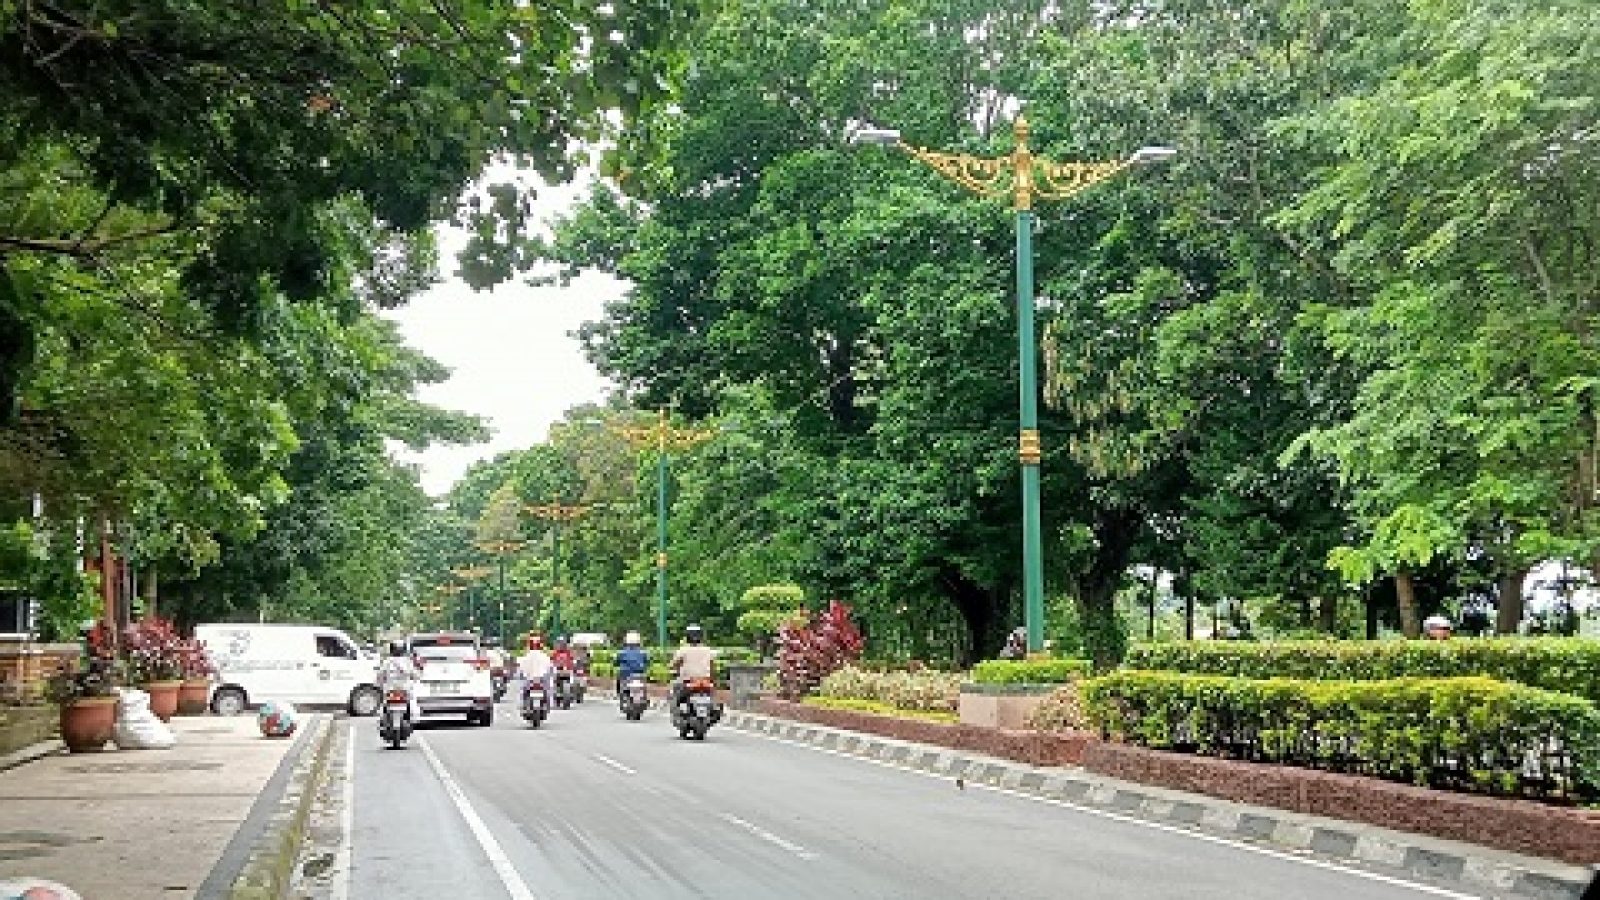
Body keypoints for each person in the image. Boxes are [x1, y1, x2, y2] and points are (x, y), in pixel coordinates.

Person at [669, 624, 716, 709]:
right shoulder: (708, 650)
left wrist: (674, 669)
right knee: (713, 696)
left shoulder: (683, 650)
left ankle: (676, 708)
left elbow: (674, 664)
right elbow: (712, 666)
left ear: (687, 637)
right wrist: (712, 679)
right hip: (705, 681)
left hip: (688, 681)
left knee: (675, 692)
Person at [376, 640, 421, 723]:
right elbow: (415, 674)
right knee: (412, 701)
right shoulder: (407, 662)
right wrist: (415, 678)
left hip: (390, 689)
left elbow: (380, 675)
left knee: (383, 702)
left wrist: (379, 684)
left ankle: (381, 719)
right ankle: (414, 718)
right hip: (405, 689)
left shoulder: (387, 661)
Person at [517, 634, 555, 707]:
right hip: (541, 680)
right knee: (548, 689)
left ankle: (524, 704)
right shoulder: (544, 656)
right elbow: (550, 667)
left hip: (530, 680)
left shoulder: (526, 655)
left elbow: (521, 667)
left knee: (523, 689)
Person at [614, 630, 649, 699]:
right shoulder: (643, 652)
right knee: (644, 683)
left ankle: (618, 694)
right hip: (640, 673)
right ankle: (644, 696)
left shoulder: (622, 652)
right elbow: (646, 662)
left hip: (626, 674)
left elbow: (616, 662)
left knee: (619, 677)